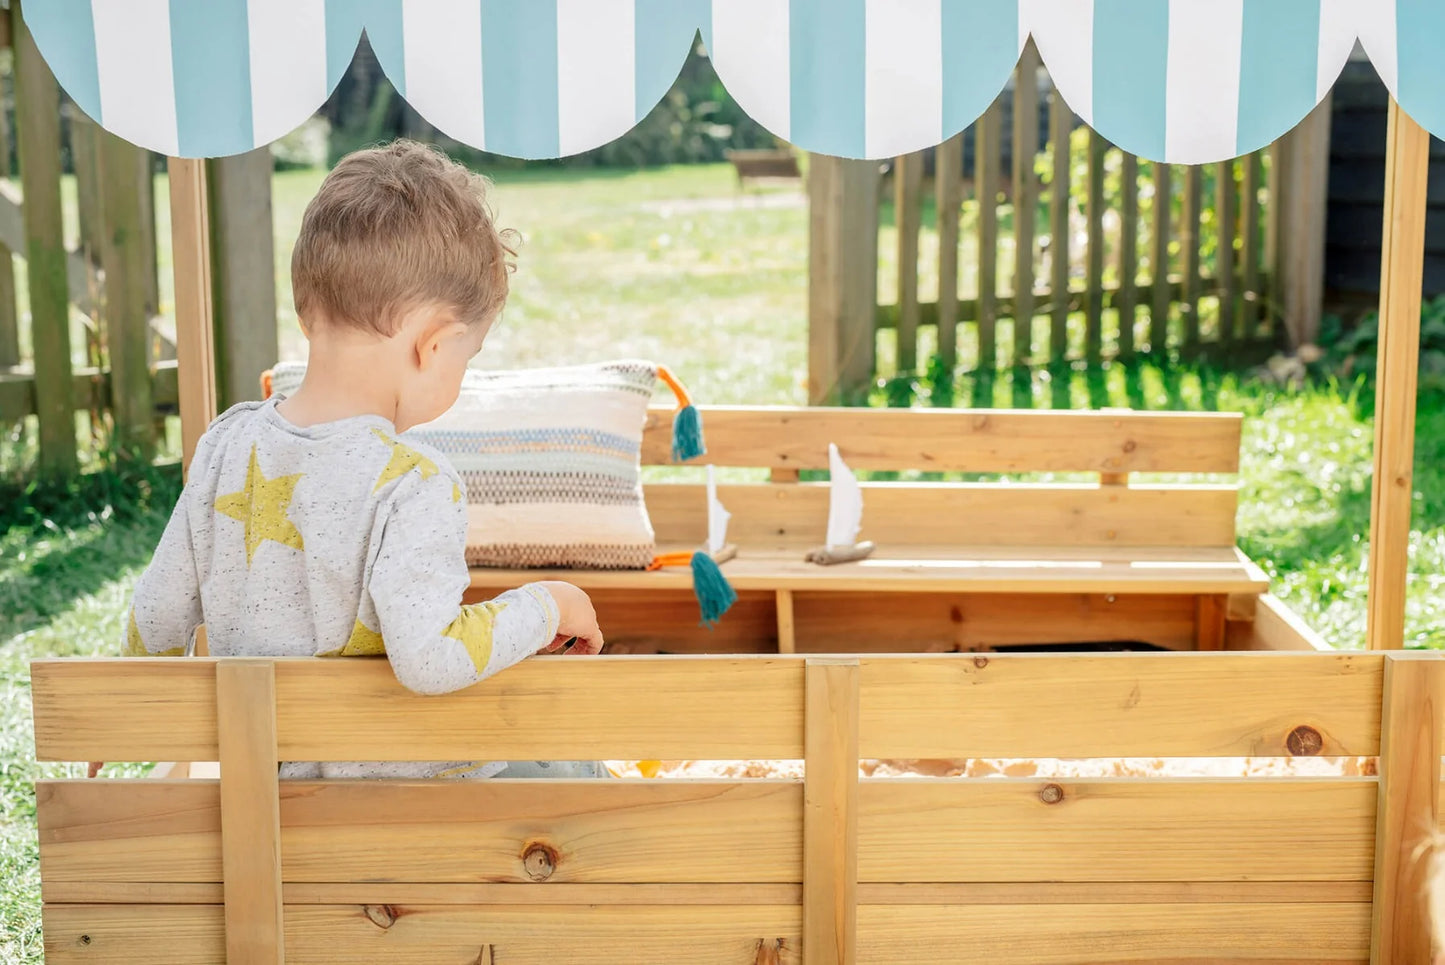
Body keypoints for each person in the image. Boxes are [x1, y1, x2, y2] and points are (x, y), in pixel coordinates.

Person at [111, 140, 606, 781]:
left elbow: (156, 616)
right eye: (468, 357)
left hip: (263, 796)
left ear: (306, 309)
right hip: (396, 809)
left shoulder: (225, 445)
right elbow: (429, 660)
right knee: (578, 770)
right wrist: (548, 605)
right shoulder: (415, 485)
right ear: (434, 346)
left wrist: (117, 714)